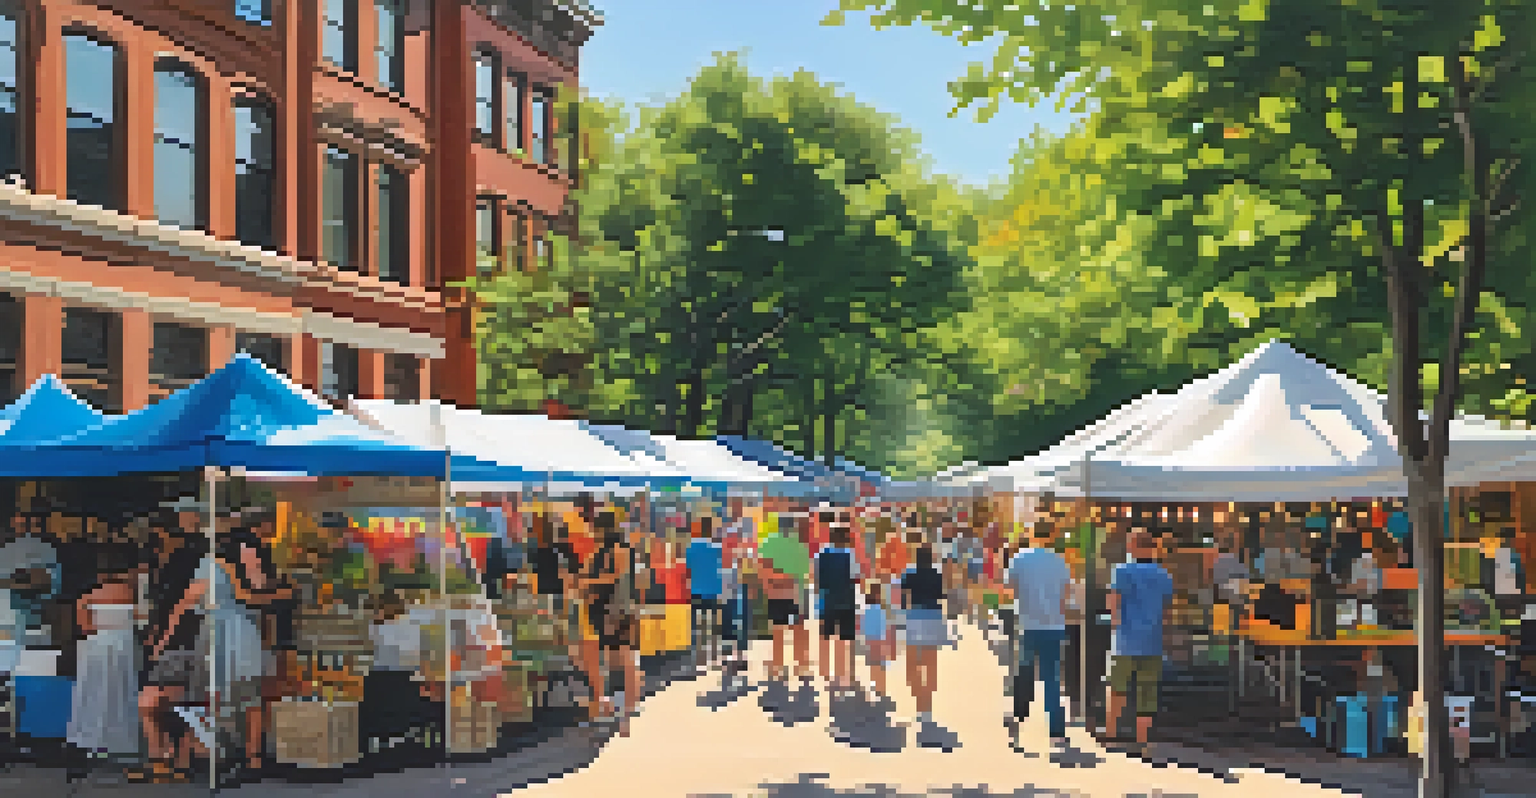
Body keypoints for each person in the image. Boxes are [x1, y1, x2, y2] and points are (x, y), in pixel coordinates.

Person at [133, 503, 211, 784]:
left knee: (158, 702)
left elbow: (181, 605)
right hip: (182, 636)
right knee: (173, 702)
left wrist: (160, 638)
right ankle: (172, 759)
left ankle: (171, 759)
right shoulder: (175, 559)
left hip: (182, 638)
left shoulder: (189, 557)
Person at [65, 545, 143, 773]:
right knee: (122, 692)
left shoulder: (88, 596)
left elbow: (85, 627)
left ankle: (90, 739)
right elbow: (141, 619)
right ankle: (121, 741)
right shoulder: (132, 592)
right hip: (124, 645)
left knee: (93, 694)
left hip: (98, 646)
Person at [1104, 528, 1174, 748]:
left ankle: (1111, 733)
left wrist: (1114, 625)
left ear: (1132, 546)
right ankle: (1142, 739)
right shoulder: (1163, 575)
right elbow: (1167, 610)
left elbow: (1113, 602)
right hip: (1152, 641)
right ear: (1152, 548)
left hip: (1126, 640)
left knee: (1117, 688)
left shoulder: (1121, 571)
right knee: (1147, 692)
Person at [1006, 525, 1073, 753]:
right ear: (1053, 535)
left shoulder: (1019, 559)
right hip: (1054, 625)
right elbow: (1065, 596)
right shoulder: (1060, 562)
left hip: (1027, 624)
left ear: (1032, 535)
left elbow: (1011, 591)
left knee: (1023, 675)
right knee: (1052, 679)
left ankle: (1017, 723)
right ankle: (1056, 733)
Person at [584, 514, 641, 731]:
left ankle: (624, 708)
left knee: (621, 658)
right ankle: (625, 706)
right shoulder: (613, 550)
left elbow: (614, 577)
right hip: (614, 609)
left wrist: (585, 581)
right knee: (618, 658)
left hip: (615, 610)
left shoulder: (616, 550)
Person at [901, 543, 947, 741]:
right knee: (931, 661)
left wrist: (903, 612)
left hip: (915, 616)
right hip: (933, 616)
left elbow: (904, 597)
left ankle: (920, 699)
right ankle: (927, 704)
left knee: (912, 663)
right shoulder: (937, 575)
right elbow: (941, 596)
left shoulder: (909, 573)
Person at [816, 524, 859, 696]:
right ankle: (843, 677)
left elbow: (817, 578)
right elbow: (855, 578)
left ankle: (826, 675)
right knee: (843, 641)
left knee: (826, 638)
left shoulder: (822, 554)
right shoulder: (850, 555)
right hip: (846, 601)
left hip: (827, 600)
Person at [686, 519, 724, 672]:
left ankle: (699, 659)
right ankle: (714, 657)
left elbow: (687, 569)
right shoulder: (716, 548)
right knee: (713, 626)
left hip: (695, 590)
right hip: (713, 589)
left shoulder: (691, 548)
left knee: (697, 627)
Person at [860, 581, 894, 712]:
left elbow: (862, 629)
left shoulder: (866, 611)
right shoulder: (881, 611)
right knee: (881, 669)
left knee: (874, 669)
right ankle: (881, 693)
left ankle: (875, 691)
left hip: (870, 644)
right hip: (880, 643)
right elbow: (885, 629)